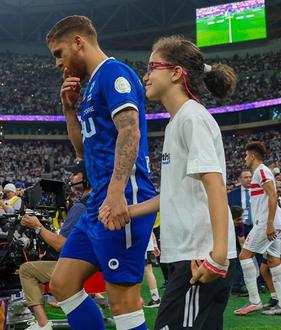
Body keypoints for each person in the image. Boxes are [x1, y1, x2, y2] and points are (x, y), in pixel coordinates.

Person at [100, 35, 238, 329]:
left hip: (200, 257)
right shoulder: (178, 122)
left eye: (152, 67)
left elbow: (215, 185)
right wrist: (128, 211)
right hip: (189, 255)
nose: (145, 75)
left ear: (176, 73)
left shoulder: (192, 118)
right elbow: (174, 194)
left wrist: (219, 256)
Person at [46, 15, 157, 330]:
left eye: (59, 53)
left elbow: (130, 131)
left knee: (123, 303)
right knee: (62, 283)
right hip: (98, 203)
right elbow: (82, 151)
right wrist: (69, 108)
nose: (57, 63)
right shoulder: (91, 85)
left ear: (78, 42)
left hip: (122, 199)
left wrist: (115, 194)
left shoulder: (113, 73)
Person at [19, 160, 90, 330]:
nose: (71, 177)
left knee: (26, 269)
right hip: (96, 264)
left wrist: (37, 226)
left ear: (87, 177)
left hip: (80, 266)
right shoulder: (99, 200)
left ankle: (43, 324)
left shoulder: (80, 207)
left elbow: (61, 245)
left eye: (75, 174)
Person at [234, 141, 281, 316]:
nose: (244, 158)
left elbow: (273, 195)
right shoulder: (261, 172)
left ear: (252, 156)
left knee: (244, 255)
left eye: (245, 155)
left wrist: (268, 224)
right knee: (274, 261)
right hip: (272, 223)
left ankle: (254, 301)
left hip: (267, 223)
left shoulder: (261, 171)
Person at [142, 232, 161, 308]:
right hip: (147, 246)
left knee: (147, 271)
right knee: (148, 271)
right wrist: (155, 244)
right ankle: (156, 298)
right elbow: (151, 229)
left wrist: (155, 245)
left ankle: (155, 299)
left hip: (143, 246)